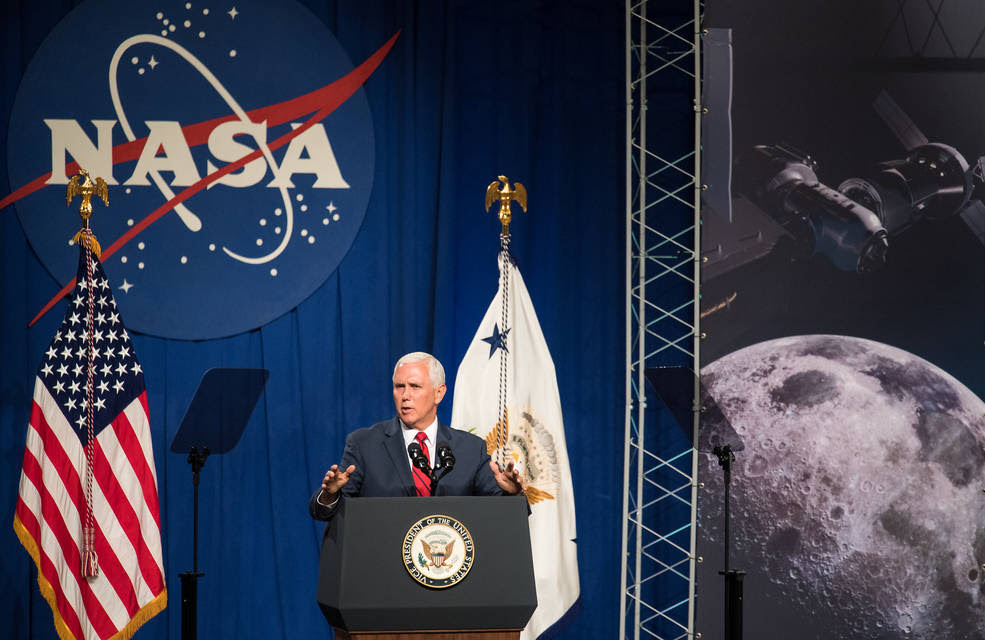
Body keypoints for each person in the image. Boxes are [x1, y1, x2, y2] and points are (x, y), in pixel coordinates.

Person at [309, 352, 525, 521]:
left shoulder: (469, 449)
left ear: (439, 393)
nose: (405, 396)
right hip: (383, 565)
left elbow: (502, 514)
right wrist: (330, 495)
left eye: (415, 387)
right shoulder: (364, 444)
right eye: (399, 387)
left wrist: (513, 495)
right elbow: (325, 512)